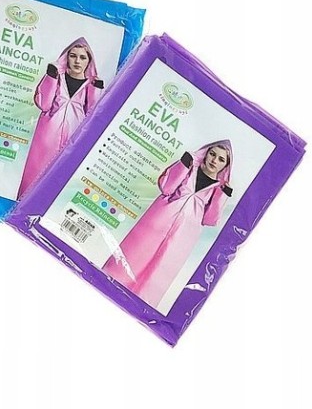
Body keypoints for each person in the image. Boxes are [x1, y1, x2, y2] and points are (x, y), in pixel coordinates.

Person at [102, 140, 234, 309]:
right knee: (136, 251)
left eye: (221, 159)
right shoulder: (190, 168)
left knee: (162, 267)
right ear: (206, 153)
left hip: (185, 234)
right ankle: (109, 278)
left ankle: (141, 303)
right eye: (212, 154)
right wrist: (182, 165)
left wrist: (223, 195)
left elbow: (210, 220)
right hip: (159, 219)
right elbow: (166, 187)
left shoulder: (218, 190)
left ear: (226, 166)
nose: (214, 160)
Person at [18, 37, 104, 197]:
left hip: (73, 137)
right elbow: (43, 104)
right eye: (73, 56)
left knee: (61, 180)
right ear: (67, 57)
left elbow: (92, 116)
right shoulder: (57, 78)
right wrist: (50, 77)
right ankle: (21, 204)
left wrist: (96, 90)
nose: (77, 61)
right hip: (47, 135)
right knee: (35, 175)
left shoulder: (91, 86)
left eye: (82, 57)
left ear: (89, 61)